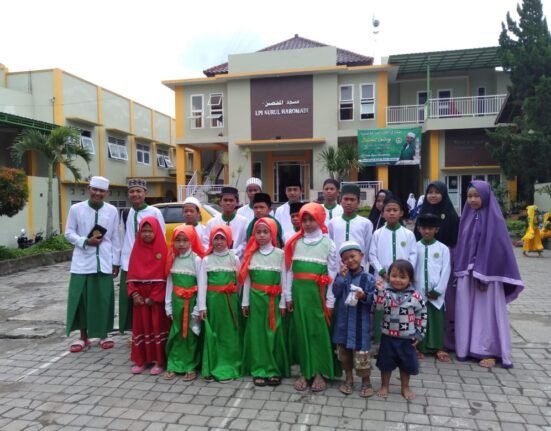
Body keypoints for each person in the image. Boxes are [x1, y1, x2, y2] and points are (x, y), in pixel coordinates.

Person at [454, 181, 524, 369]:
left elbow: (497, 249)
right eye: (469, 196)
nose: (472, 200)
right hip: (468, 275)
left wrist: (484, 274)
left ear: (485, 196)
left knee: (486, 314)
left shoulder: (495, 220)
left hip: (487, 276)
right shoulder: (467, 217)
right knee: (467, 311)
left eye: (476, 196)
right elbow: (463, 245)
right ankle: (468, 347)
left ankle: (490, 351)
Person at [284, 202, 338, 392]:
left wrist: (330, 300)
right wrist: (288, 296)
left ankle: (319, 371)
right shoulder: (294, 242)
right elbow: (289, 271)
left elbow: (333, 274)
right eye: (304, 219)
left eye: (311, 219)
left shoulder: (328, 244)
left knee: (318, 332)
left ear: (320, 219)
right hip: (299, 296)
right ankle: (305, 370)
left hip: (318, 296)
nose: (307, 223)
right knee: (301, 332)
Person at [65, 176, 121, 352]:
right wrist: (85, 241)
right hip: (82, 263)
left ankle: (104, 335)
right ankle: (83, 337)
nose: (97, 193)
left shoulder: (112, 211)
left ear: (107, 193)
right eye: (94, 189)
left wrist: (116, 262)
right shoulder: (76, 209)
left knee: (103, 300)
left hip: (104, 261)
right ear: (88, 189)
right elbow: (68, 233)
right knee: (81, 301)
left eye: (101, 191)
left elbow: (115, 237)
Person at [239, 217, 289, 386]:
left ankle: (274, 368)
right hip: (256, 300)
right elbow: (247, 280)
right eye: (258, 232)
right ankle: (259, 368)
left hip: (273, 300)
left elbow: (284, 279)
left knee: (274, 332)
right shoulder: (251, 254)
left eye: (265, 232)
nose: (261, 235)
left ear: (272, 233)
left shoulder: (280, 254)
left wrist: (283, 302)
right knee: (258, 334)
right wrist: (245, 302)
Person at [414, 180, 460, 350]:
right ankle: (420, 344)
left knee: (443, 304)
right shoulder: (422, 213)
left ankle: (443, 342)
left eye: (437, 192)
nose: (433, 196)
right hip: (422, 265)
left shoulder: (451, 215)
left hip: (444, 262)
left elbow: (455, 239)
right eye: (430, 192)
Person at [374, 260, 427, 400]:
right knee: (385, 364)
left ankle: (405, 387)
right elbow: (378, 308)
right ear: (388, 276)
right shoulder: (385, 293)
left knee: (406, 365)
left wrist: (419, 334)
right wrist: (379, 292)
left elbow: (422, 315)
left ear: (410, 279)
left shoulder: (416, 296)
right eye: (394, 276)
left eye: (403, 277)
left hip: (407, 338)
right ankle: (384, 385)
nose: (397, 280)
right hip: (388, 337)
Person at [120, 178, 165, 334]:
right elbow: (122, 236)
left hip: (149, 263)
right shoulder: (126, 212)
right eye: (132, 191)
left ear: (145, 193)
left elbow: (160, 237)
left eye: (138, 191)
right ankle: (136, 333)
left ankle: (151, 332)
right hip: (128, 261)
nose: (135, 194)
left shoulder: (154, 212)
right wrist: (118, 261)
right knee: (130, 299)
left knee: (150, 299)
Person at [369, 198, 417, 342]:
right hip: (383, 279)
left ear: (401, 213)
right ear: (382, 213)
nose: (391, 213)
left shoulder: (408, 234)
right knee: (382, 306)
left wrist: (405, 274)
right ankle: (380, 340)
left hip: (403, 280)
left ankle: (401, 338)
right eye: (388, 210)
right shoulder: (377, 234)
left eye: (395, 210)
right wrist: (382, 272)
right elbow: (372, 255)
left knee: (402, 307)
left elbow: (413, 255)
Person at [198, 225, 242, 381]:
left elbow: (239, 281)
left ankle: (231, 363)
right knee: (214, 333)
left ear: (228, 239)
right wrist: (202, 306)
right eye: (215, 238)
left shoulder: (234, 258)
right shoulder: (206, 260)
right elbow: (202, 284)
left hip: (230, 302)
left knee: (229, 333)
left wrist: (238, 299)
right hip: (213, 303)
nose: (219, 242)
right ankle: (213, 365)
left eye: (222, 238)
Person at [332, 241, 376, 398]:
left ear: (361, 256)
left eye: (353, 256)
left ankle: (366, 381)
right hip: (343, 323)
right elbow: (336, 292)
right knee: (344, 353)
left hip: (360, 324)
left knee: (361, 354)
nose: (350, 261)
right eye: (345, 259)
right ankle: (348, 379)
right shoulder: (343, 276)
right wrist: (340, 277)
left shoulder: (368, 278)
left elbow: (374, 300)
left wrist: (364, 296)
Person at [127, 217, 170, 375]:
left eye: (150, 231)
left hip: (156, 299)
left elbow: (165, 277)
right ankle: (142, 360)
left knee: (157, 326)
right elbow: (130, 276)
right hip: (140, 298)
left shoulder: (163, 250)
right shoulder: (136, 250)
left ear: (156, 232)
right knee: (141, 328)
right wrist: (134, 294)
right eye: (143, 231)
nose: (146, 234)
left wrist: (154, 297)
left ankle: (159, 361)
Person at [164, 225, 205, 381]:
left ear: (191, 241)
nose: (181, 244)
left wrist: (198, 307)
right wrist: (168, 305)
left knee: (190, 334)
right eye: (178, 240)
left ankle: (190, 365)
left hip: (191, 302)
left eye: (185, 240)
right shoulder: (172, 258)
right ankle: (174, 364)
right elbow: (170, 283)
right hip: (177, 303)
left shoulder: (196, 259)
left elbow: (201, 284)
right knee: (176, 332)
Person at [414, 213, 451, 362]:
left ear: (436, 229)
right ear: (419, 229)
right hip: (419, 291)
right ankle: (419, 347)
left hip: (436, 293)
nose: (427, 231)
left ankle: (437, 348)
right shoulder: (415, 247)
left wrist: (438, 290)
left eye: (430, 228)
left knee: (436, 320)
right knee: (419, 319)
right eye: (424, 228)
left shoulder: (443, 249)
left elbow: (446, 270)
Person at [328, 184, 373, 268]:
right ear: (340, 201)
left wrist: (362, 265)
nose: (349, 203)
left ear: (358, 202)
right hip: (338, 267)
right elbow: (331, 246)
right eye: (346, 199)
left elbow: (367, 247)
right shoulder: (333, 223)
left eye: (352, 200)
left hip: (359, 267)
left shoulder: (366, 223)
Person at [206, 186, 248, 259]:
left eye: (231, 200)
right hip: (216, 260)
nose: (228, 203)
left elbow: (245, 243)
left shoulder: (244, 222)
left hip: (237, 260)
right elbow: (206, 243)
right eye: (225, 200)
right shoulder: (211, 222)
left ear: (237, 203)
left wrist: (233, 253)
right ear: (220, 202)